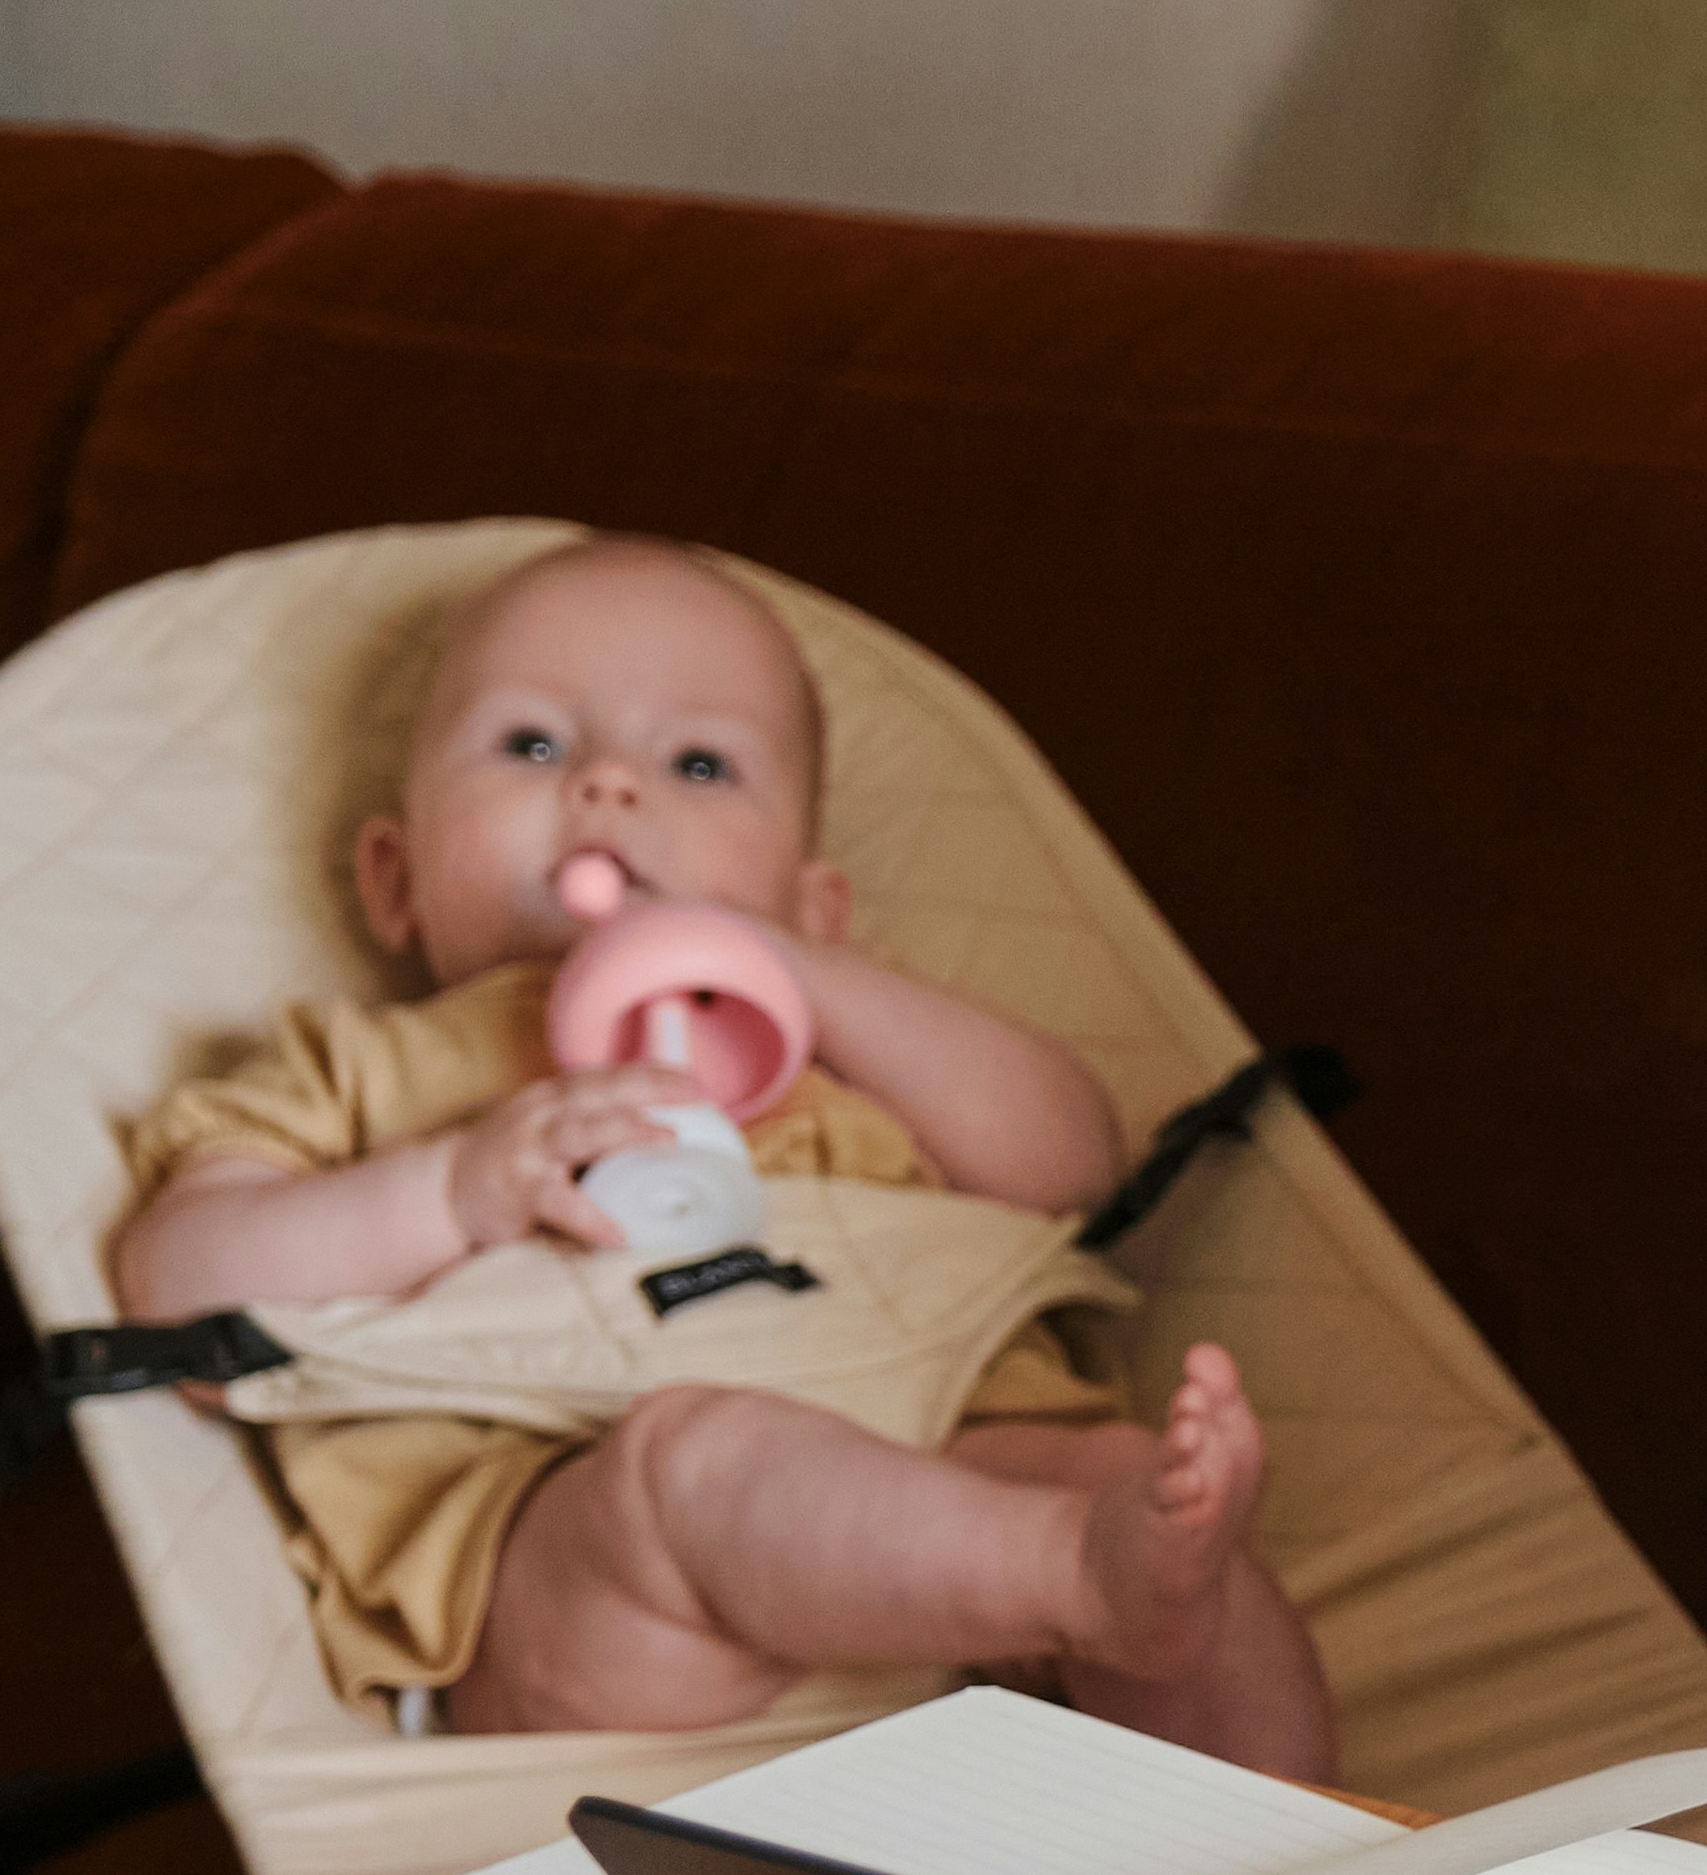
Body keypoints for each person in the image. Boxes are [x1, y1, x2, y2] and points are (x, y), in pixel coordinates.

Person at [113, 533, 1329, 1776]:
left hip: (953, 1541)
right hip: (605, 1606)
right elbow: (178, 1288)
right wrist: (450, 1187)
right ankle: (1078, 1579)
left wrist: (804, 980)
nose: (609, 786)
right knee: (698, 1463)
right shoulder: (367, 1071)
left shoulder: (841, 1056)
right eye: (532, 743)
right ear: (394, 880)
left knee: (1132, 1489)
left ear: (815, 906)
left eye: (698, 763)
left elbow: (1069, 1164)